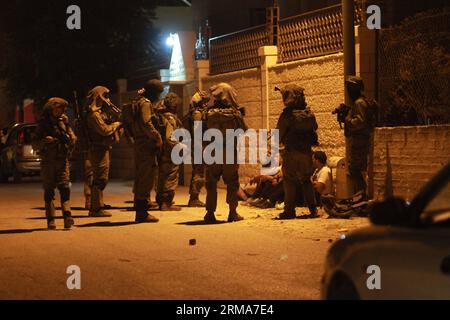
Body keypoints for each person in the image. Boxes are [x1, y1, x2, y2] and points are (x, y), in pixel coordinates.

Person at [203, 82, 248, 223]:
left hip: (212, 152)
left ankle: (210, 214)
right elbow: (244, 130)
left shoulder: (207, 114)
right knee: (232, 183)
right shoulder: (235, 114)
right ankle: (232, 213)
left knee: (211, 183)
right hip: (229, 152)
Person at [275, 84, 319, 219]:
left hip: (291, 152)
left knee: (289, 180)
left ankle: (289, 211)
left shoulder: (287, 115)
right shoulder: (308, 113)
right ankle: (313, 209)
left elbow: (279, 134)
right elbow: (315, 127)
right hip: (306, 152)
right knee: (306, 180)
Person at [33, 98, 77, 229]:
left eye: (63, 109)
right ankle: (51, 219)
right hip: (48, 162)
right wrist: (45, 141)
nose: (61, 111)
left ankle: (67, 216)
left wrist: (67, 127)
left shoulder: (63, 123)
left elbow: (73, 140)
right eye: (58, 108)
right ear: (51, 109)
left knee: (64, 188)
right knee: (49, 190)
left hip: (62, 160)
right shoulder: (43, 125)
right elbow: (34, 144)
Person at [130, 79, 164, 223]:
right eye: (158, 93)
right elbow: (146, 122)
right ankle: (142, 213)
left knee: (142, 177)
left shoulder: (138, 101)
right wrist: (157, 137)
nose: (159, 96)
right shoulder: (145, 103)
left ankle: (141, 210)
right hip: (146, 144)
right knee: (145, 178)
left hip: (140, 143)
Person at [85, 86, 121, 217]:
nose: (107, 99)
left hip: (102, 148)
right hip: (98, 149)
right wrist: (117, 124)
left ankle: (98, 204)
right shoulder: (94, 115)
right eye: (105, 96)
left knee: (101, 178)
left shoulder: (99, 113)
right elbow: (104, 130)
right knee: (100, 179)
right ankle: (96, 208)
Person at [344, 76, 377, 198]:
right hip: (361, 140)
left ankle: (362, 195)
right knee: (355, 169)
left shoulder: (359, 103)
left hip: (360, 141)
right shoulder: (361, 102)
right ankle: (361, 195)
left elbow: (360, 121)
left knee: (354, 169)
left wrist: (347, 119)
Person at [154, 92, 183, 211]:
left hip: (161, 152)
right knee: (171, 176)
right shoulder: (170, 119)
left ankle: (160, 201)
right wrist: (180, 146)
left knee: (162, 176)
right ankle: (166, 203)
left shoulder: (160, 116)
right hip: (170, 152)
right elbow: (169, 137)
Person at [182, 90, 210, 207]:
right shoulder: (197, 114)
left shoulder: (195, 112)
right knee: (199, 172)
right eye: (205, 102)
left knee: (197, 171)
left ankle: (194, 197)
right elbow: (197, 131)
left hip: (197, 144)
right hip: (199, 145)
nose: (206, 104)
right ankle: (194, 198)